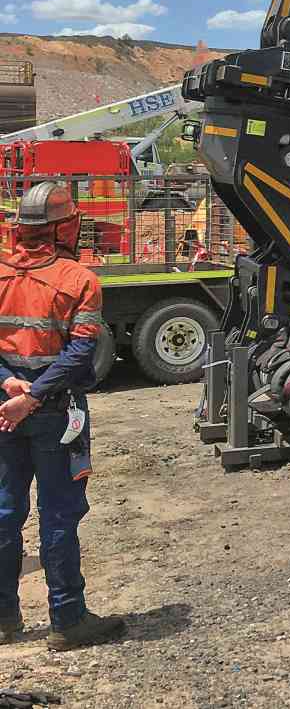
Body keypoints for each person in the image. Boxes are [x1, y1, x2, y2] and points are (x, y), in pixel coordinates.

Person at [0, 182, 125, 651]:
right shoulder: (79, 279)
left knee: (5, 512)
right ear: (64, 225)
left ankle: (4, 618)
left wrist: (9, 387)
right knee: (59, 514)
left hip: (6, 413)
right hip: (55, 413)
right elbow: (78, 355)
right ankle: (68, 620)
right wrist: (32, 398)